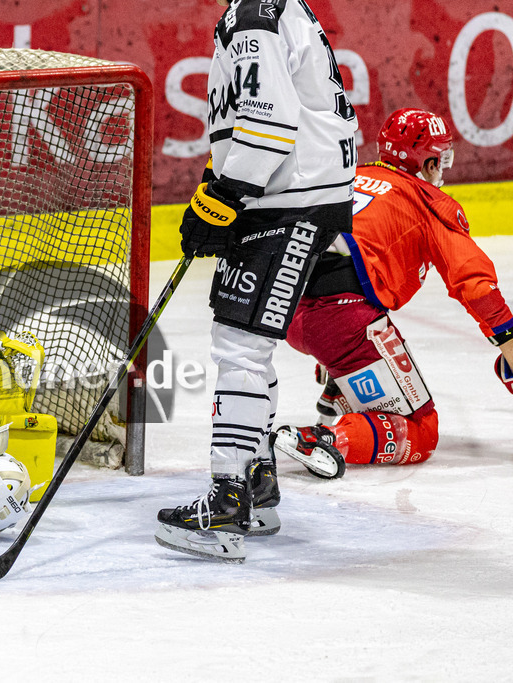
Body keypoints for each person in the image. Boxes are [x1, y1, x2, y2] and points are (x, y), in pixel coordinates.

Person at [155, 0, 357, 562]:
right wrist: (220, 184)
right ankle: (258, 485)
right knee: (250, 345)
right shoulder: (272, 11)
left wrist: (224, 196)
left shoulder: (254, 16)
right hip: (296, 196)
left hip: (287, 200)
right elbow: (255, 117)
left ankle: (228, 498)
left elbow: (268, 125)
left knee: (240, 347)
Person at [274, 108, 513, 473]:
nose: (442, 170)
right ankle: (323, 438)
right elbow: (474, 282)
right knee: (421, 432)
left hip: (286, 306)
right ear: (430, 161)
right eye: (441, 158)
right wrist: (509, 341)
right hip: (341, 323)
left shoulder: (350, 174)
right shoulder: (429, 202)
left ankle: (339, 385)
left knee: (355, 310)